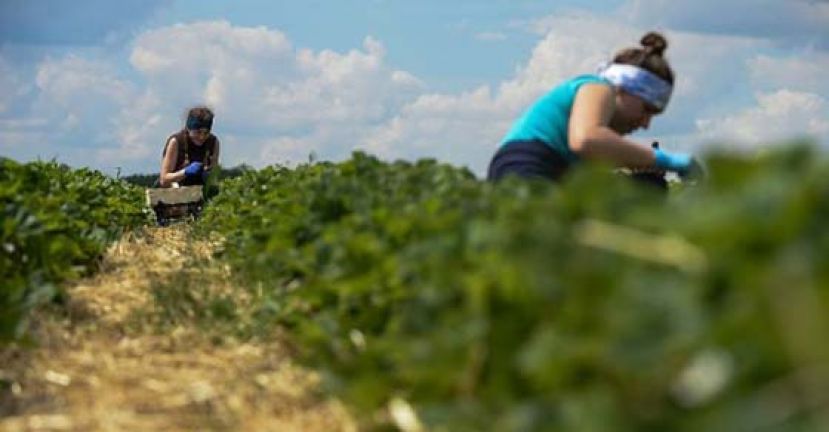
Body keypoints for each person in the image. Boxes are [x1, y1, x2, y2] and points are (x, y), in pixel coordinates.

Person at [487, 32, 699, 182]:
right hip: (528, 164)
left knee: (648, 186)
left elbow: (596, 154)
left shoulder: (602, 107)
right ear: (624, 89)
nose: (645, 124)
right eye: (646, 109)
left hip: (552, 169)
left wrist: (647, 166)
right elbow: (586, 139)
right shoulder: (599, 88)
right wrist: (666, 159)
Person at [159, 106, 221, 187]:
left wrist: (209, 176)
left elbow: (214, 174)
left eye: (206, 133)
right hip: (174, 190)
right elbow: (164, 179)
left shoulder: (213, 142)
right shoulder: (176, 142)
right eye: (198, 132)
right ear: (189, 129)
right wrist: (185, 172)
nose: (202, 137)